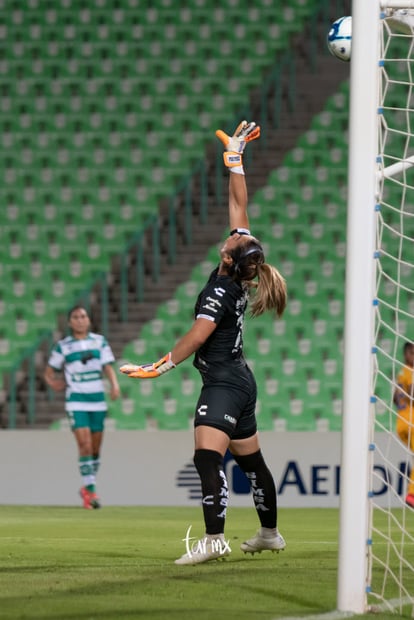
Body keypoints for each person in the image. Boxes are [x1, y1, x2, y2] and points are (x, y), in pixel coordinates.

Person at [121, 120, 287, 564]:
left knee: (206, 459)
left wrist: (158, 367)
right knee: (251, 464)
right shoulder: (237, 268)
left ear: (229, 257)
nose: (236, 230)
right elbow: (238, 204)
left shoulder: (220, 288)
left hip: (224, 383)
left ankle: (214, 540)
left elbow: (198, 335)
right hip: (240, 379)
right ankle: (269, 533)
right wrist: (235, 161)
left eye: (238, 237)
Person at [44, 305, 120, 509]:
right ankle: (91, 491)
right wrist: (53, 383)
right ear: (69, 322)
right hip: (76, 399)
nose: (80, 320)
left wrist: (114, 384)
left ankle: (88, 486)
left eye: (83, 316)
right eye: (76, 317)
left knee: (95, 448)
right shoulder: (63, 346)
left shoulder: (99, 341)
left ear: (88, 320)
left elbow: (107, 367)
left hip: (97, 400)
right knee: (84, 445)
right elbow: (49, 371)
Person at [393, 340, 414, 508]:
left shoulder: (401, 373)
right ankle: (412, 494)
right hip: (411, 421)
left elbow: (395, 397)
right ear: (406, 355)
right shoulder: (410, 372)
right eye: (412, 353)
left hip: (401, 422)